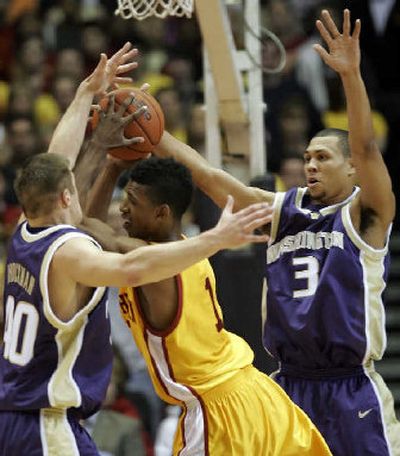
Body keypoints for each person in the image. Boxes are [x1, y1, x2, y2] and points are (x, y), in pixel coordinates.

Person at [0, 42, 273, 455]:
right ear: (65, 197)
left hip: (23, 415)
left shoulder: (25, 230)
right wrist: (216, 238)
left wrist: (84, 95)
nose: (121, 211)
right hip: (46, 423)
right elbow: (130, 267)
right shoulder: (71, 251)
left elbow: (60, 161)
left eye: (131, 205)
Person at [152, 9, 400, 456]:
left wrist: (350, 75)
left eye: (323, 157)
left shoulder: (366, 215)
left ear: (351, 168)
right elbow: (212, 179)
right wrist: (157, 136)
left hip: (349, 388)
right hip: (286, 383)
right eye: (307, 157)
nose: (310, 165)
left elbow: (365, 145)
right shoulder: (282, 211)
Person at [85, 153, 331, 455]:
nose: (122, 207)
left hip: (215, 412)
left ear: (161, 213)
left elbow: (85, 230)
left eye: (132, 202)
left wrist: (111, 165)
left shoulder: (151, 265)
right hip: (256, 395)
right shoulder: (189, 247)